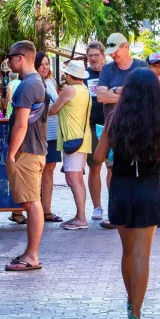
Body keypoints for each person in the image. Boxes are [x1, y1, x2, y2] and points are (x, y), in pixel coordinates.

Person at [93, 68, 160, 319]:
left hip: (122, 185)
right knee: (142, 254)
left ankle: (131, 305)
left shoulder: (116, 119)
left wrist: (116, 158)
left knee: (127, 252)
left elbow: (98, 156)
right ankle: (136, 315)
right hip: (149, 186)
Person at [4, 41, 48, 272]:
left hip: (27, 152)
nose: (8, 61)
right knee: (33, 203)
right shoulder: (35, 83)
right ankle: (30, 253)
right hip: (35, 150)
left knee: (31, 204)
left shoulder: (27, 86)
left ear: (21, 58)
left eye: (10, 57)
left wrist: (11, 153)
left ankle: (32, 255)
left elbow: (21, 125)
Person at [96, 34, 147, 229]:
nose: (113, 55)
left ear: (126, 47)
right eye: (110, 52)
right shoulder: (107, 69)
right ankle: (115, 212)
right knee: (112, 170)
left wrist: (114, 90)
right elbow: (101, 96)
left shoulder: (141, 67)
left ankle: (137, 212)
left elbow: (144, 95)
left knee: (140, 170)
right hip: (113, 130)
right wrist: (127, 92)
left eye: (116, 50)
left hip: (139, 129)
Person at [49, 61, 92, 230]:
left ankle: (81, 218)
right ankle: (79, 215)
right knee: (78, 179)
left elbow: (53, 109)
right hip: (81, 138)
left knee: (73, 179)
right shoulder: (85, 90)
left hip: (72, 139)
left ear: (68, 76)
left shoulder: (69, 90)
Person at [26, 52, 63, 225]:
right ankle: (34, 210)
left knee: (49, 172)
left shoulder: (50, 82)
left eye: (47, 63)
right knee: (35, 173)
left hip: (53, 133)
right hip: (37, 134)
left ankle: (46, 209)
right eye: (41, 64)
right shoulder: (32, 83)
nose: (45, 67)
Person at [85, 41, 107, 222]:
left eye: (96, 55)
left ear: (103, 56)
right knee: (94, 167)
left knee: (113, 167)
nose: (93, 58)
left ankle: (114, 205)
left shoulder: (110, 72)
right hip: (92, 126)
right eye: (90, 55)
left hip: (112, 125)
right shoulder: (83, 75)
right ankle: (97, 207)